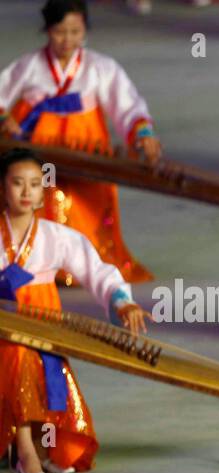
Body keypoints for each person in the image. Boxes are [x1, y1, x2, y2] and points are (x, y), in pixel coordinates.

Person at [0, 147, 147, 473]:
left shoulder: (56, 236)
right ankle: (25, 453)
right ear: (3, 188)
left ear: (43, 190)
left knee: (45, 373)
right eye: (17, 183)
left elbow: (96, 270)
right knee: (19, 357)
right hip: (5, 325)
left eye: (35, 184)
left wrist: (121, 301)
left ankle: (39, 444)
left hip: (45, 323)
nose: (26, 192)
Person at [0, 0, 159, 281]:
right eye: (60, 32)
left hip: (83, 146)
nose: (68, 39)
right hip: (37, 146)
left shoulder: (100, 66)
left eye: (75, 31)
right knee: (35, 197)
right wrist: (5, 118)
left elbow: (127, 105)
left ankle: (85, 265)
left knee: (86, 202)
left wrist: (142, 133)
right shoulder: (30, 66)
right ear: (48, 30)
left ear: (85, 29)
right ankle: (34, 261)